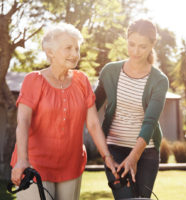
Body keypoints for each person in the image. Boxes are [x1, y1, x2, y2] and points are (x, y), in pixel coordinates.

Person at [10, 23, 118, 200]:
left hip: (71, 165)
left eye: (77, 48)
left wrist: (107, 156)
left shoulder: (82, 81)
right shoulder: (33, 81)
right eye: (68, 48)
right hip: (34, 164)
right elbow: (23, 122)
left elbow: (92, 123)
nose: (75, 54)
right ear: (50, 52)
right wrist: (22, 160)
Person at [94, 19, 169, 199]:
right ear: (126, 40)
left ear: (153, 44)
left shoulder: (159, 80)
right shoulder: (110, 72)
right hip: (114, 149)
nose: (136, 51)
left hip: (146, 151)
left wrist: (134, 156)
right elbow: (90, 107)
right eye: (132, 44)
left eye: (142, 46)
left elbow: (150, 122)